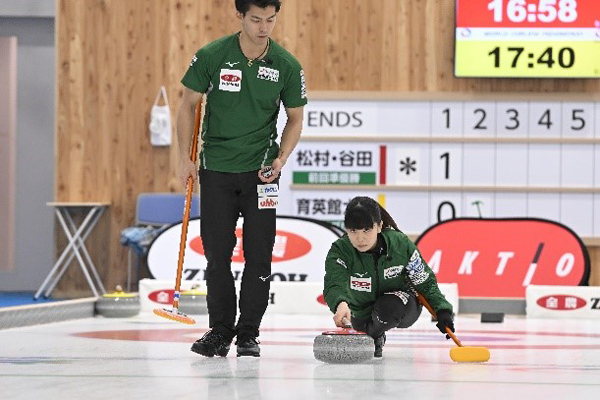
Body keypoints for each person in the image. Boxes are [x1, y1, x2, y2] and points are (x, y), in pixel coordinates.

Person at [176, 0, 307, 358]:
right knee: (217, 256)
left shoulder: (287, 65)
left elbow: (295, 118)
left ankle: (249, 334)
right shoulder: (212, 56)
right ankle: (220, 330)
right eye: (255, 19)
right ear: (240, 16)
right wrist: (185, 158)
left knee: (260, 255)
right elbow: (188, 104)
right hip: (216, 169)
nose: (264, 27)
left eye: (270, 19)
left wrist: (282, 157)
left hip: (262, 174)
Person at [323, 196, 454, 357]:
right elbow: (334, 282)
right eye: (353, 231)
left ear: (379, 226)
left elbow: (424, 281)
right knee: (361, 322)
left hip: (401, 305)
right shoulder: (340, 250)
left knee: (389, 307)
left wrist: (442, 310)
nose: (360, 238)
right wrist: (340, 304)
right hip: (360, 312)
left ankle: (374, 336)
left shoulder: (400, 245)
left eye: (366, 230)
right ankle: (370, 332)